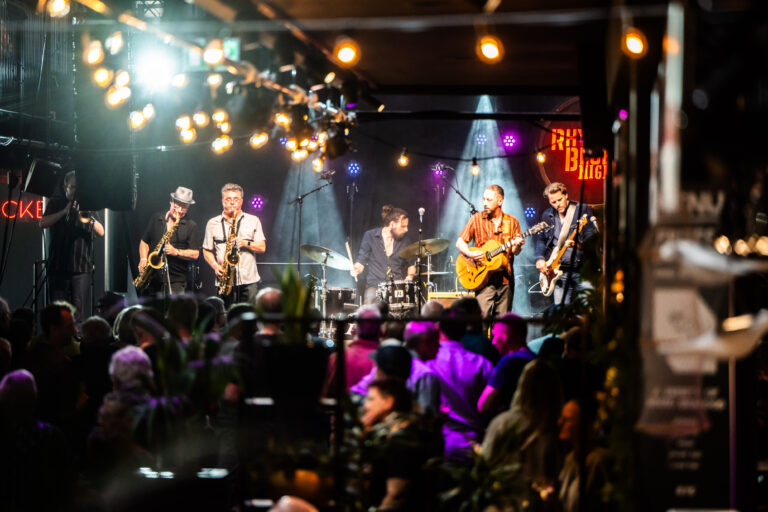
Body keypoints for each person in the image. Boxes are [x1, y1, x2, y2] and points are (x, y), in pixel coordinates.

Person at [40, 171, 105, 324]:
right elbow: (42, 223)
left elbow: (101, 232)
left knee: (78, 314)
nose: (75, 191)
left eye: (78, 187)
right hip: (58, 266)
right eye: (73, 187)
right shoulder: (55, 203)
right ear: (65, 187)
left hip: (81, 268)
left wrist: (88, 218)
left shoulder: (87, 204)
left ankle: (77, 343)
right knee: (58, 313)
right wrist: (64, 212)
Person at [456, 185, 523, 317]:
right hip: (483, 279)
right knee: (481, 320)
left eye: (489, 200)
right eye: (484, 199)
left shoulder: (512, 221)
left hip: (505, 281)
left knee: (502, 324)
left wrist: (517, 245)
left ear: (500, 201)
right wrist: (470, 253)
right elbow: (460, 242)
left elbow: (515, 252)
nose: (485, 203)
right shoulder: (476, 219)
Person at [534, 182, 597, 305]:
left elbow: (592, 235)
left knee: (588, 309)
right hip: (558, 271)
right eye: (553, 202)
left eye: (560, 200)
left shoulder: (582, 209)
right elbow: (542, 239)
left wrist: (579, 244)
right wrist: (539, 258)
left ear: (566, 195)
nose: (557, 204)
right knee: (560, 312)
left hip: (582, 269)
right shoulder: (547, 215)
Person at [203, 183, 266, 305]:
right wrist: (215, 266)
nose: (232, 203)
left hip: (249, 280)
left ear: (241, 201)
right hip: (224, 280)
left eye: (236, 199)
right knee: (225, 318)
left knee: (249, 317)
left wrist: (244, 243)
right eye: (228, 199)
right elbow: (206, 250)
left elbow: (262, 247)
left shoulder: (253, 220)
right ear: (223, 201)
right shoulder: (212, 223)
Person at [137, 186, 201, 295]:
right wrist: (143, 259)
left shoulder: (191, 225)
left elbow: (195, 254)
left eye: (184, 208)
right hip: (152, 277)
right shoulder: (156, 218)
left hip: (176, 280)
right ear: (171, 202)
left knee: (174, 311)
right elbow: (144, 241)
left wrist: (176, 252)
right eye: (177, 206)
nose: (180, 211)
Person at [352, 205, 417, 305]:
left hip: (396, 288)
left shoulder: (405, 241)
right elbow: (361, 261)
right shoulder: (370, 236)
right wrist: (357, 268)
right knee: (370, 306)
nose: (406, 229)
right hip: (374, 287)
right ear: (392, 225)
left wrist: (409, 278)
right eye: (403, 226)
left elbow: (411, 266)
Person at [478, 313, 535, 415]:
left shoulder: (509, 361)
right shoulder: (534, 358)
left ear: (504, 337)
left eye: (495, 336)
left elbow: (483, 405)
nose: (493, 342)